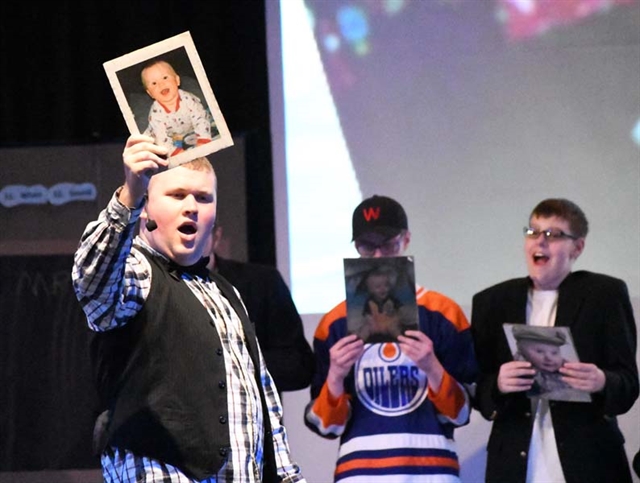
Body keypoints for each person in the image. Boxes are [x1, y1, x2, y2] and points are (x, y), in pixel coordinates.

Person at [72, 134, 305, 483]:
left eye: (203, 197)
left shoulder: (227, 293)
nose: (192, 206)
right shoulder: (138, 271)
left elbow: (262, 398)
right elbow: (92, 282)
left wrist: (286, 477)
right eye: (177, 195)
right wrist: (129, 195)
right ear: (148, 208)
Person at [304, 195, 478, 482]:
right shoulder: (334, 323)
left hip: (432, 472)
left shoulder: (444, 313)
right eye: (366, 246)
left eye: (388, 244)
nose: (377, 256)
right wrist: (335, 376)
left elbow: (461, 414)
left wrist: (432, 366)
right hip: (358, 474)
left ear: (406, 240)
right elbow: (326, 427)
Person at [471, 198, 639, 483]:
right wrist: (498, 384)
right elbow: (478, 390)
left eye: (553, 234)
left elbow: (628, 384)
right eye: (533, 232)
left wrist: (601, 381)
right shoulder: (492, 301)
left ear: (578, 247)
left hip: (589, 461)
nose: (540, 242)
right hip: (515, 462)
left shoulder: (604, 295)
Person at [207, 225, 315, 392]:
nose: (191, 241)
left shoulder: (262, 282)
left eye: (199, 230)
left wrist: (236, 363)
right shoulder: (155, 288)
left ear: (217, 235)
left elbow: (299, 366)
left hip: (250, 413)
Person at [141, 59, 214, 156]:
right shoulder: (155, 114)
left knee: (206, 117)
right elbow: (161, 138)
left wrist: (203, 139)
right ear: (150, 93)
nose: (161, 84)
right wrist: (175, 152)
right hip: (169, 134)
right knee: (149, 145)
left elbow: (200, 119)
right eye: (154, 83)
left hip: (190, 126)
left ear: (177, 80)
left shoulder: (188, 99)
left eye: (165, 77)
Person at [511, 325, 573, 399]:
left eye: (554, 353)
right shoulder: (523, 374)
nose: (549, 358)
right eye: (539, 351)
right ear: (523, 353)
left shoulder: (566, 370)